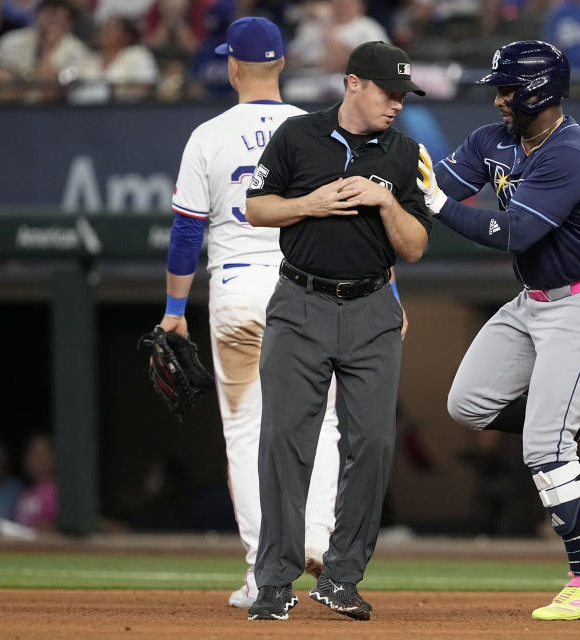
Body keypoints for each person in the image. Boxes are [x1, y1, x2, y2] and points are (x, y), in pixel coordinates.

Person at [415, 40, 580, 621]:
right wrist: (385, 180)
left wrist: (437, 204)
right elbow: (433, 183)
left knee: (543, 443)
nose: (498, 99)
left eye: (507, 89)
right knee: (468, 404)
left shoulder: (573, 152)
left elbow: (512, 231)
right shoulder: (491, 138)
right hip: (535, 301)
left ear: (539, 90)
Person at [244, 40, 431, 621]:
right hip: (300, 302)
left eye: (403, 95)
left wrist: (383, 202)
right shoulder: (297, 136)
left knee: (373, 443)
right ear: (353, 84)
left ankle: (341, 578)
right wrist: (311, 202)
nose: (397, 104)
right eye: (388, 92)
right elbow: (255, 207)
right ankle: (273, 581)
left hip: (372, 307)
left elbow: (416, 246)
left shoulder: (406, 153)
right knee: (283, 443)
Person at [161, 16, 343, 610]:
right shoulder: (317, 130)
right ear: (283, 65)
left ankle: (262, 573)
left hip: (238, 294)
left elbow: (186, 236)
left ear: (233, 67)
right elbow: (352, 219)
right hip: (310, 289)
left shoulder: (208, 134)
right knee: (325, 422)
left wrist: (173, 312)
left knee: (247, 434)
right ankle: (315, 538)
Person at [0, 0, 90, 102]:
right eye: (51, 13)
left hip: (54, 113)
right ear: (38, 14)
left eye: (63, 17)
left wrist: (47, 50)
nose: (55, 20)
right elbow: (2, 91)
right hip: (11, 110)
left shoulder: (77, 51)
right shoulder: (12, 41)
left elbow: (51, 95)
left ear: (70, 24)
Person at [13, 433, 59, 531]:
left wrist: (50, 526)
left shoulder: (58, 491)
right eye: (32, 454)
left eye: (43, 454)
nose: (37, 460)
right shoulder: (26, 492)